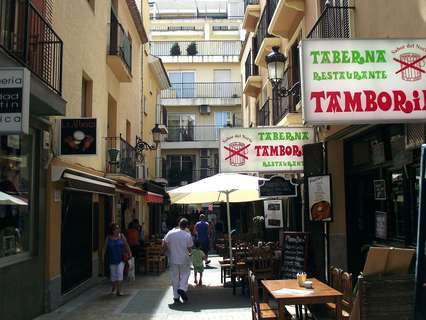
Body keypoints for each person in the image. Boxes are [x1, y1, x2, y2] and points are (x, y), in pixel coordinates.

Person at [163, 218, 193, 303]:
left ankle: (176, 296)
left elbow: (164, 243)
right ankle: (182, 288)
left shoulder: (170, 233)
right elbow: (190, 248)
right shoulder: (187, 235)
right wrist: (191, 253)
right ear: (186, 226)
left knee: (174, 277)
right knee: (185, 273)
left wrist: (164, 252)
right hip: (184, 258)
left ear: (179, 224)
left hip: (173, 258)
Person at [103, 223, 132, 296]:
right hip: (112, 259)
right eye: (116, 229)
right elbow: (105, 248)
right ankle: (113, 288)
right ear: (112, 231)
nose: (117, 230)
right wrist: (103, 257)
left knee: (120, 274)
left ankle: (119, 290)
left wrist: (130, 253)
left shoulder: (122, 236)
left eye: (118, 228)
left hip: (121, 258)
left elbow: (126, 245)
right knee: (113, 276)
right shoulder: (108, 238)